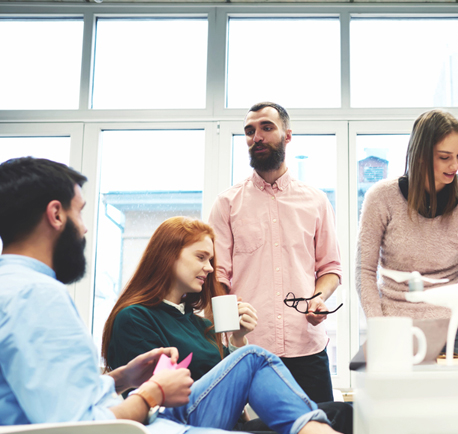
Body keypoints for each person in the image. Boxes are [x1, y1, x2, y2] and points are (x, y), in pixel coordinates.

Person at [0, 157, 337, 434]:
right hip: (157, 421)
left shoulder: (18, 288)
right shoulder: (37, 296)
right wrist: (153, 392)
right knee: (257, 363)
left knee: (337, 410)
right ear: (56, 214)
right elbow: (79, 425)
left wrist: (122, 377)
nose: (85, 228)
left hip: (167, 417)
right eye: (79, 212)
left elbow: (70, 400)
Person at [102, 216, 352, 434]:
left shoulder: (198, 324)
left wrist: (239, 338)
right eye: (201, 257)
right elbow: (151, 400)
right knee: (254, 357)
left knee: (344, 412)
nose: (210, 268)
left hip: (226, 421)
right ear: (168, 256)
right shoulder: (134, 318)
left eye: (210, 259)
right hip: (174, 423)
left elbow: (229, 385)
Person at [356, 109, 458, 356]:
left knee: (450, 394)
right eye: (445, 157)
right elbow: (365, 271)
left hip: (451, 326)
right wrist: (379, 327)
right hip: (394, 324)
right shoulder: (381, 197)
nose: (455, 165)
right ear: (421, 156)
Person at [208, 102, 342, 404]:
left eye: (267, 127)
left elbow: (331, 269)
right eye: (249, 131)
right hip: (247, 351)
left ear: (287, 135)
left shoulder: (317, 201)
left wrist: (319, 298)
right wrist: (229, 333)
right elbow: (218, 277)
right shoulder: (227, 204)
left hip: (307, 349)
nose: (257, 137)